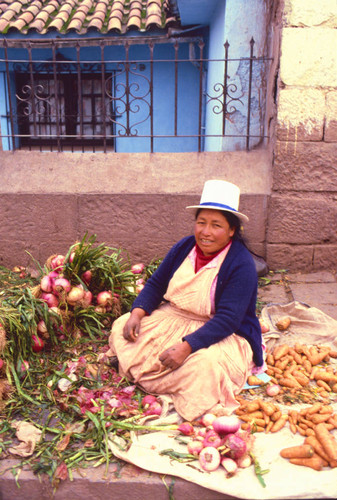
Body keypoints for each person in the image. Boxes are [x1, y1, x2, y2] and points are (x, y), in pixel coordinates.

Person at [108, 180, 264, 421]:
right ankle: (162, 380)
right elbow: (156, 284)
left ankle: (175, 387)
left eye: (216, 225)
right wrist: (137, 313)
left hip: (218, 331)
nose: (206, 232)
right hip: (174, 316)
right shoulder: (184, 247)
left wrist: (187, 347)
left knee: (204, 366)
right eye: (201, 223)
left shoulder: (241, 264)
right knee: (122, 326)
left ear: (232, 230)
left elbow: (228, 320)